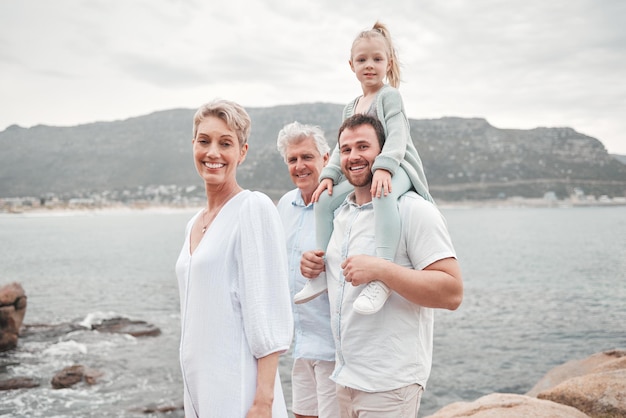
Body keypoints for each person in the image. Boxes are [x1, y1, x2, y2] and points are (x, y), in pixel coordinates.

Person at [301, 114, 463, 417]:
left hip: (390, 386)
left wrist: (381, 270)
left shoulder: (414, 210)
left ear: (384, 151)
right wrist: (315, 266)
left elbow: (452, 292)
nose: (353, 156)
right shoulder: (342, 214)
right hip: (344, 378)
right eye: (346, 149)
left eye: (364, 146)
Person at [294, 21, 435, 316]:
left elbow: (398, 136)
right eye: (362, 60)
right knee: (323, 200)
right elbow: (340, 148)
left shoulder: (389, 96)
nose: (369, 65)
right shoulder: (352, 106)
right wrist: (329, 176)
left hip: (399, 167)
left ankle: (383, 275)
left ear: (388, 63)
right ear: (351, 65)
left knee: (381, 195)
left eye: (377, 59)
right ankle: (321, 273)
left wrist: (384, 167)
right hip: (367, 171)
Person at [175, 99, 293, 418]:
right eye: (204, 141)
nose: (212, 152)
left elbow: (267, 310)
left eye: (225, 143)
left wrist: (263, 402)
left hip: (237, 391)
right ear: (193, 146)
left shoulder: (252, 208)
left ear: (242, 152)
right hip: (200, 391)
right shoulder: (193, 223)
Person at [276, 122, 340, 418]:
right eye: (292, 159)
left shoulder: (341, 204)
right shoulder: (284, 205)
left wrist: (322, 267)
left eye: (307, 157)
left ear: (326, 159)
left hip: (334, 349)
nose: (299, 166)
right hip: (300, 344)